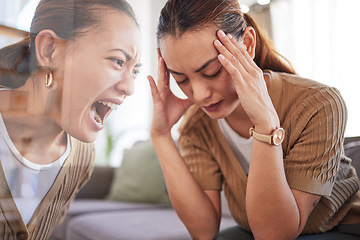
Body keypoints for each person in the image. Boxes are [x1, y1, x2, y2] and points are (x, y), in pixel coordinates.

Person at [147, 0, 360, 239]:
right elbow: (203, 231)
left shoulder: (319, 104)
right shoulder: (198, 124)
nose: (199, 95)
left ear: (247, 44)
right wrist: (161, 136)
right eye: (181, 79)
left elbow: (274, 234)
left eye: (212, 72)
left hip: (340, 227)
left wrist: (266, 125)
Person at [0, 0, 141, 239]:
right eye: (118, 61)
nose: (130, 87)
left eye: (134, 71)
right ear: (50, 51)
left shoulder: (82, 156)